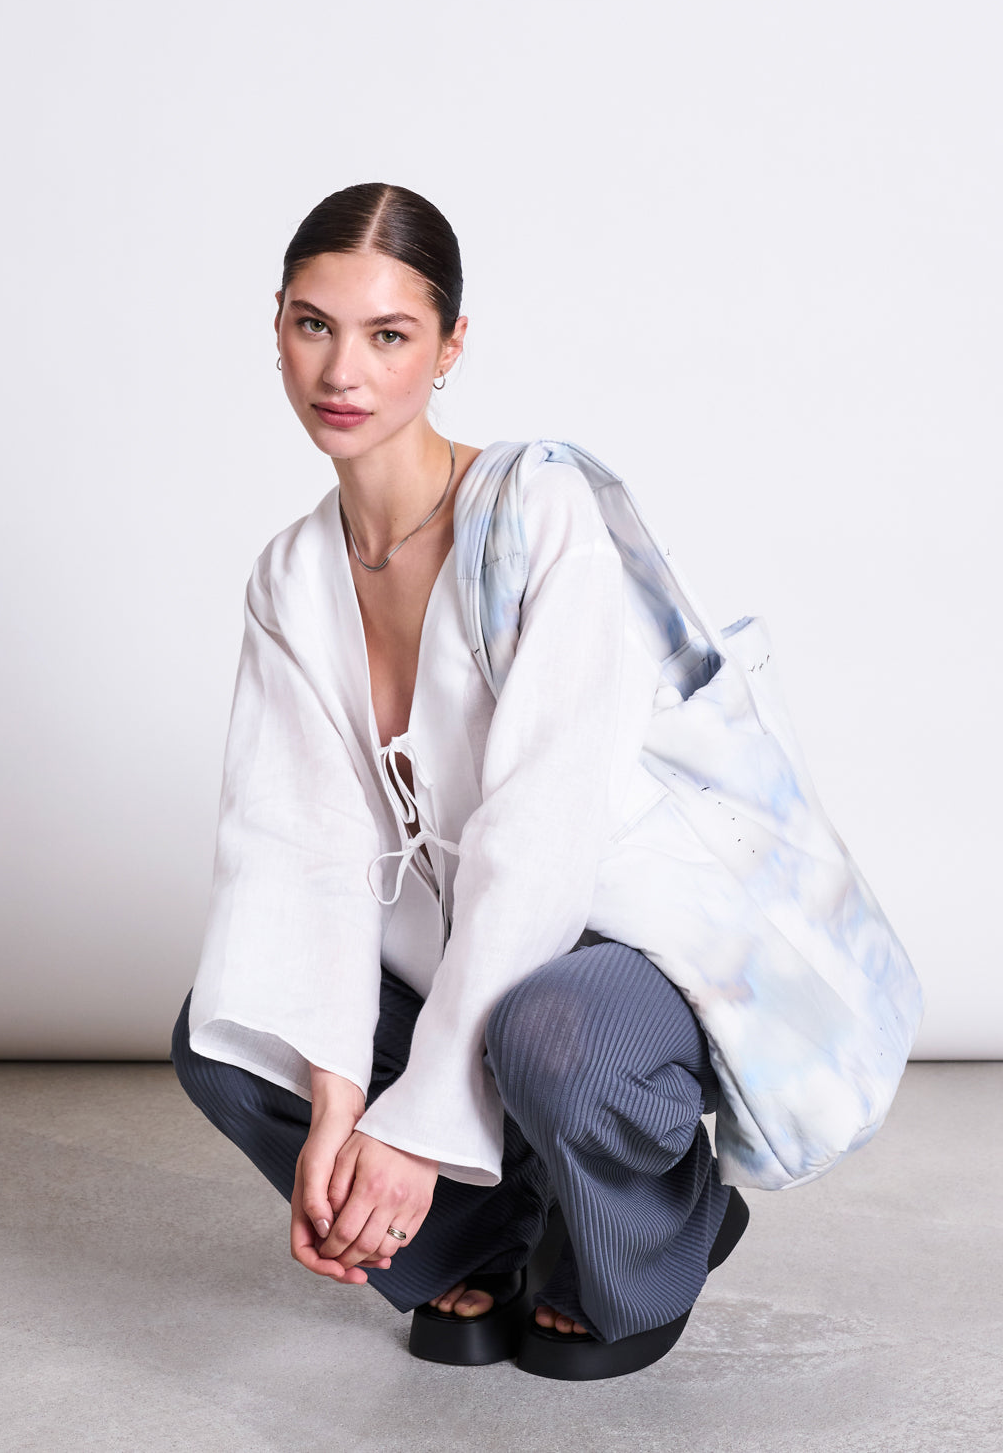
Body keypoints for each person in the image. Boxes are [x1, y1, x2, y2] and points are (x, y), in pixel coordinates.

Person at [171, 182, 748, 1380]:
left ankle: (645, 1237)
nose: (345, 369)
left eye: (389, 335)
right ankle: (488, 1237)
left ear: (449, 349)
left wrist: (422, 1123)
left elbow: (543, 837)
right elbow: (297, 854)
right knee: (228, 1038)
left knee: (558, 1036)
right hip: (453, 959)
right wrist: (339, 1109)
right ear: (275, 326)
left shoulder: (545, 511)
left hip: (610, 955)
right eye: (313, 324)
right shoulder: (291, 576)